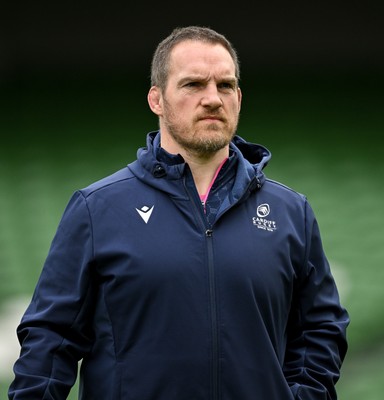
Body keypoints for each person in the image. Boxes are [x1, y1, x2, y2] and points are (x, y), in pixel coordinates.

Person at [9, 26, 349, 400]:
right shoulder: (97, 209)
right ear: (157, 99)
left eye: (225, 85)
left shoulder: (291, 212)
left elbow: (321, 329)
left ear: (238, 96)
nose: (212, 99)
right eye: (193, 85)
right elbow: (50, 342)